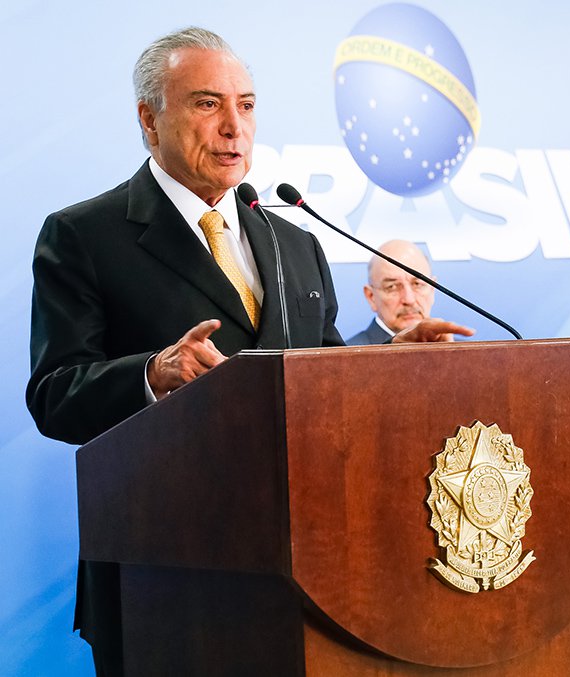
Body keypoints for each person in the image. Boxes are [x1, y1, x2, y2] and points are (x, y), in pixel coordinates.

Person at [25, 27, 470, 674]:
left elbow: (322, 380)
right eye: (208, 104)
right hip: (164, 575)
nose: (235, 126)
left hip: (311, 569)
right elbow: (54, 395)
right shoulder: (83, 236)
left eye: (248, 104)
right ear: (149, 119)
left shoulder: (296, 241)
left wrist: (390, 360)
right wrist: (152, 374)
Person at [346, 239, 464, 345]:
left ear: (432, 289)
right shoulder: (345, 358)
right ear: (371, 297)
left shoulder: (467, 354)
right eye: (392, 287)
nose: (409, 299)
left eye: (417, 284)